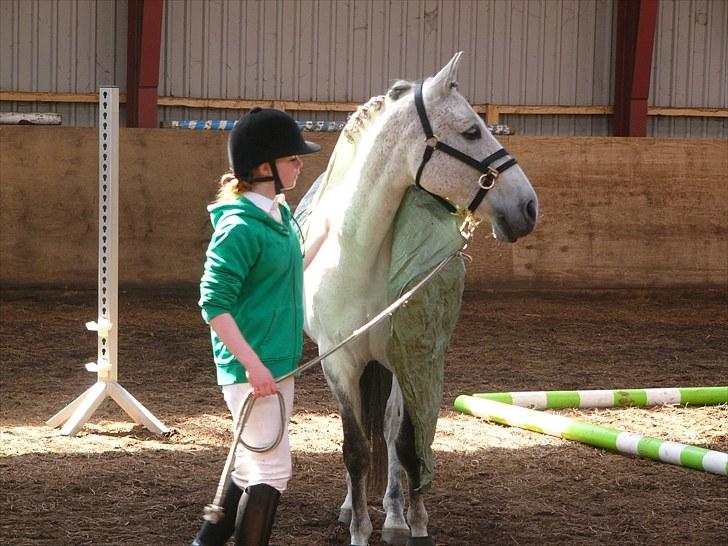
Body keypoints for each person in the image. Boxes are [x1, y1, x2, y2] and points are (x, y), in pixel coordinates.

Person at [193, 108, 327, 546]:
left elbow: (285, 275)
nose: (299, 163)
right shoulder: (237, 227)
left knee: (251, 465)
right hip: (253, 369)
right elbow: (214, 304)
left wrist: (322, 237)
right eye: (291, 158)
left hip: (277, 363)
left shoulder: (278, 215)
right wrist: (252, 366)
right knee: (271, 471)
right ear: (264, 167)